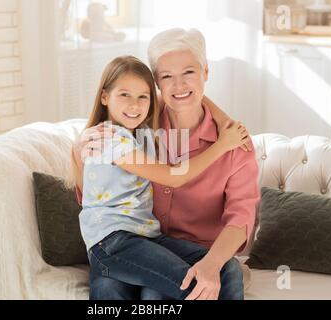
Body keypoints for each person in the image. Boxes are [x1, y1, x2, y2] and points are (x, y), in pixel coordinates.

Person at [73, 28, 260, 300]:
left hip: (175, 246)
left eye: (189, 73)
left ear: (206, 72)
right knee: (112, 288)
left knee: (176, 286)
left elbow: (241, 219)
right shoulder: (143, 120)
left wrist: (210, 264)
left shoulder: (235, 144)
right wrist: (77, 151)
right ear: (157, 84)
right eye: (166, 77)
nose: (179, 85)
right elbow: (99, 185)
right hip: (127, 242)